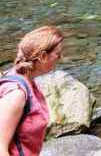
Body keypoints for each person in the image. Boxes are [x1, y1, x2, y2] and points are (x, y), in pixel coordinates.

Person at [0, 26, 64, 156]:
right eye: (57, 54)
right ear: (43, 56)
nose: (60, 57)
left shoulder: (26, 79)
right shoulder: (16, 95)